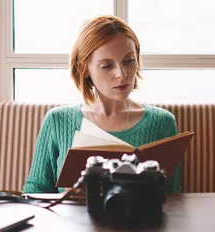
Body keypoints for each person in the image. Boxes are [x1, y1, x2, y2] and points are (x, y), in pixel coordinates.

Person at [22, 15, 181, 194]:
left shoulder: (162, 122)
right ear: (84, 69)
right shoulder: (57, 120)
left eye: (129, 61)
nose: (122, 74)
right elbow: (35, 191)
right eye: (106, 66)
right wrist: (66, 201)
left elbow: (172, 197)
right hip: (71, 221)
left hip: (138, 221)